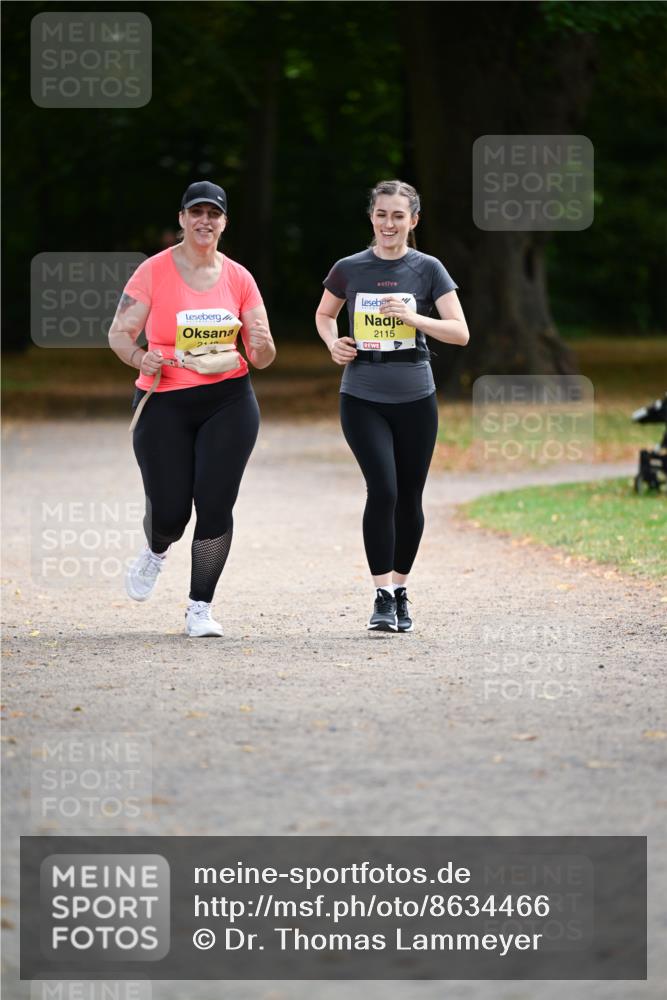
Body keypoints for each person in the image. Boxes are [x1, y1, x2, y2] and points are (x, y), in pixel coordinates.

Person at [108, 180, 276, 636]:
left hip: (229, 399)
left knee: (216, 506)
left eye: (214, 214)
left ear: (224, 222)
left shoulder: (239, 277)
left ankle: (200, 607)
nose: (205, 221)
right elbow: (119, 334)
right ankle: (156, 548)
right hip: (163, 397)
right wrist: (142, 357)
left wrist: (261, 345)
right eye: (196, 212)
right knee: (169, 512)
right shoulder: (153, 272)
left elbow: (261, 355)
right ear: (182, 218)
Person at [315, 179, 469, 633]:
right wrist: (333, 343)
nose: (389, 223)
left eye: (398, 216)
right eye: (381, 214)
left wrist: (413, 319)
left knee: (409, 497)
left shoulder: (429, 269)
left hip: (416, 397)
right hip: (361, 394)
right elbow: (324, 314)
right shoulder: (349, 268)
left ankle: (401, 589)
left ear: (413, 221)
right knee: (383, 490)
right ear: (371, 218)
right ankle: (381, 594)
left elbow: (460, 332)